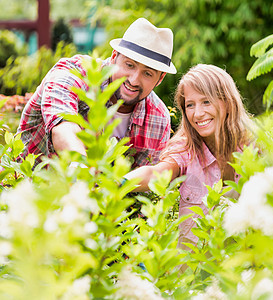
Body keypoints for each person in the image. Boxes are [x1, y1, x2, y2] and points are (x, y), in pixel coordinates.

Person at [16, 18, 177, 168]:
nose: (134, 80)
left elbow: (143, 184)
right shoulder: (73, 72)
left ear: (160, 78)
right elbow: (63, 127)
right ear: (114, 57)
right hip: (27, 189)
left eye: (147, 73)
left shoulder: (159, 119)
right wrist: (83, 171)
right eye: (129, 65)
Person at [124, 64, 254, 247]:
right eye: (190, 105)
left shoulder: (256, 146)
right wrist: (119, 183)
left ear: (227, 101)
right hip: (192, 270)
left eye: (206, 101)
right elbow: (157, 173)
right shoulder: (185, 148)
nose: (198, 114)